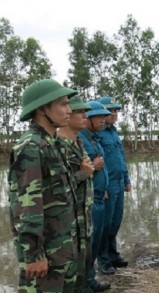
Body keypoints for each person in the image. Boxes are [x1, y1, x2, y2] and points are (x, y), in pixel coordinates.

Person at [8, 79, 80, 292]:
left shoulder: (53, 144)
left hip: (62, 251)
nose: (69, 110)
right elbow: (26, 206)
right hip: (44, 258)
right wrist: (33, 255)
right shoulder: (31, 147)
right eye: (62, 104)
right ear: (42, 109)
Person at [57, 95, 111, 293]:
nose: (84, 116)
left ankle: (89, 281)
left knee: (90, 250)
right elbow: (58, 185)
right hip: (70, 215)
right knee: (75, 260)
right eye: (80, 112)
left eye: (85, 112)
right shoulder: (58, 146)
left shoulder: (79, 142)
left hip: (86, 207)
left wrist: (98, 186)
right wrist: (86, 173)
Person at [78, 101, 112, 291]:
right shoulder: (79, 140)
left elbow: (99, 168)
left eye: (104, 116)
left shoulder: (94, 139)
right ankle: (86, 284)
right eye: (98, 116)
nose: (103, 119)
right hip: (89, 201)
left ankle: (90, 281)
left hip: (100, 196)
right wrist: (93, 167)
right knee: (88, 246)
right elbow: (79, 172)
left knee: (96, 242)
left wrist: (104, 186)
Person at [96, 96, 131, 273]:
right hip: (107, 185)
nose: (115, 114)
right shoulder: (97, 134)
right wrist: (102, 187)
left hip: (118, 182)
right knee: (105, 224)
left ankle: (113, 254)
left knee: (116, 221)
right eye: (111, 111)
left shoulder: (113, 131)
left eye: (116, 111)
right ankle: (103, 260)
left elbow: (120, 158)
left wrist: (127, 180)